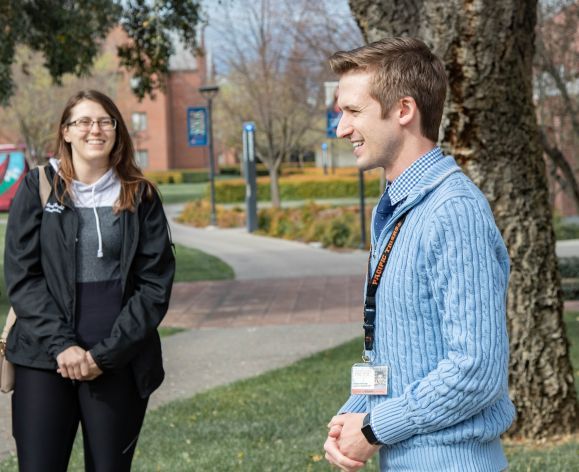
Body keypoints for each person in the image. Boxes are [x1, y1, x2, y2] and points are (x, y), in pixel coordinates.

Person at [323, 38, 515, 472]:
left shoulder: (453, 211)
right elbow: (397, 355)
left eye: (353, 112)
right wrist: (351, 417)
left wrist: (373, 428)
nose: (341, 128)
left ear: (404, 110)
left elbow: (476, 371)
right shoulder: (399, 208)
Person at [4, 89, 175, 471]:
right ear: (66, 131)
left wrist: (105, 354)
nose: (94, 129)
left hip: (117, 362)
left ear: (116, 130)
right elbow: (22, 277)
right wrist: (63, 345)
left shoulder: (140, 194)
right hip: (43, 359)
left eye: (104, 121)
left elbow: (154, 286)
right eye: (82, 121)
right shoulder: (38, 187)